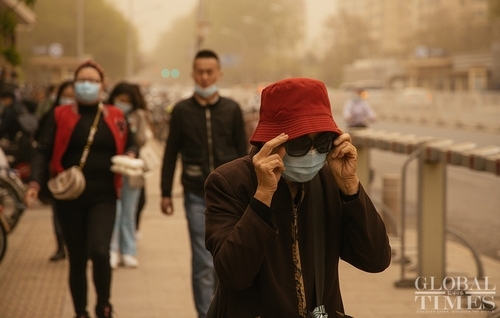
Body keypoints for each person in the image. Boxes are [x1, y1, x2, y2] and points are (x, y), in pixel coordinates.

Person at [204, 78, 391, 317]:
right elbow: (233, 274)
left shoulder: (329, 179)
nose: (312, 153)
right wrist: (262, 196)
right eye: (300, 143)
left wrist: (350, 187)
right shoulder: (229, 182)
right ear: (271, 140)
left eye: (322, 141)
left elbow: (375, 259)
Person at [25, 60, 137, 318]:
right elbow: (42, 151)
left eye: (92, 80)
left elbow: (130, 142)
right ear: (74, 84)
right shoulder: (59, 115)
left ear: (102, 85)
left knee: (100, 250)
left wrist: (131, 154)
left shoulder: (115, 115)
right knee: (77, 258)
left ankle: (104, 306)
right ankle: (80, 312)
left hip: (105, 195)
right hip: (69, 197)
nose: (86, 85)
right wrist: (34, 183)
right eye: (81, 80)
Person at [160, 49, 248, 318]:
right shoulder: (182, 111)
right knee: (202, 260)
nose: (205, 77)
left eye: (210, 71)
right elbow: (171, 151)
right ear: (193, 74)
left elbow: (244, 153)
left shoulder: (232, 109)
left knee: (227, 258)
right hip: (197, 195)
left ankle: (224, 311)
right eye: (200, 71)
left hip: (231, 196)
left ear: (219, 74)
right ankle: (204, 314)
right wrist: (165, 192)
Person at [107, 81, 150, 269]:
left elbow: (140, 140)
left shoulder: (138, 115)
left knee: (129, 212)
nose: (123, 104)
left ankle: (128, 251)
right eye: (120, 100)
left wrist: (131, 129)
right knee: (113, 212)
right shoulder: (106, 114)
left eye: (126, 101)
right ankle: (112, 249)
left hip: (131, 170)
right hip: (111, 169)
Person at [35, 80, 75, 262]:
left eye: (71, 97)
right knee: (58, 210)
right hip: (57, 173)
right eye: (65, 96)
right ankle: (61, 246)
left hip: (81, 175)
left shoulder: (88, 117)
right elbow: (41, 143)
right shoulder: (53, 115)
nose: (68, 100)